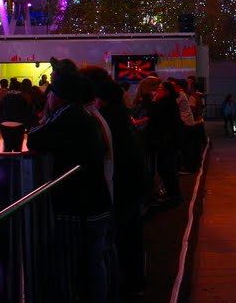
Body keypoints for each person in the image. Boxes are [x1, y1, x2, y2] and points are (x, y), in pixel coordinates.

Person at [28, 61, 115, 303]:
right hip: (95, 201)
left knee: (70, 264)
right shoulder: (88, 115)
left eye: (52, 92)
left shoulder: (69, 114)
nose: (49, 96)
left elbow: (34, 139)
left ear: (61, 96)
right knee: (94, 261)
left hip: (78, 205)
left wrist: (45, 119)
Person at [88, 68, 150, 299]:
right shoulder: (121, 118)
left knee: (121, 237)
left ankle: (126, 283)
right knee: (130, 236)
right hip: (133, 184)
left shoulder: (106, 121)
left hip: (122, 186)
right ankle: (135, 280)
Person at [148, 80, 184, 207]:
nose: (157, 91)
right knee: (166, 168)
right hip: (169, 140)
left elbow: (152, 113)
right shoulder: (169, 102)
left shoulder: (164, 103)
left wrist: (153, 100)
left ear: (166, 92)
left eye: (160, 89)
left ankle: (174, 196)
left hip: (167, 141)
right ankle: (173, 194)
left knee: (166, 168)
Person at [0, 78, 37, 151]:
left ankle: (7, 160)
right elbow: (27, 111)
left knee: (7, 146)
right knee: (17, 147)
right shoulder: (22, 98)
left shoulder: (4, 98)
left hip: (5, 124)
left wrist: (0, 123)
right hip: (19, 123)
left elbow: (0, 112)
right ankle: (17, 161)